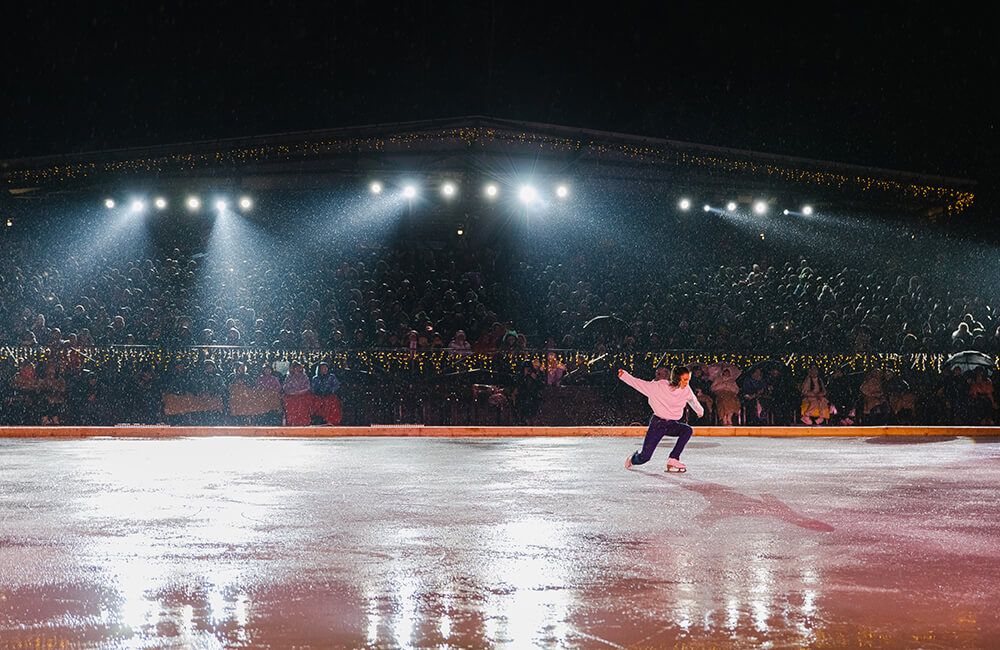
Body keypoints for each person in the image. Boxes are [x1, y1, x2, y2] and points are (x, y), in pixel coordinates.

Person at [619, 365, 704, 473]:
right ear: (677, 378)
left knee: (687, 430)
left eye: (688, 380)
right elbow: (639, 384)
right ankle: (632, 459)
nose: (687, 383)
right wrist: (625, 376)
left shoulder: (686, 389)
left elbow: (693, 400)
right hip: (657, 424)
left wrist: (699, 411)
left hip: (672, 425)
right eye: (685, 380)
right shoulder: (659, 387)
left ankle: (673, 458)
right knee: (645, 457)